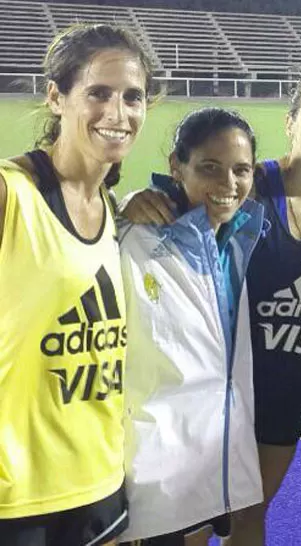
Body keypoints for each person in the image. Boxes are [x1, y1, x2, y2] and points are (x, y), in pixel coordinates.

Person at [120, 67, 301, 546]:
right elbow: (186, 210)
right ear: (291, 122)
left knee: (251, 516)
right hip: (206, 397)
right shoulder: (253, 190)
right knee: (192, 528)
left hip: (280, 394)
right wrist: (131, 202)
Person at [0, 23, 153, 546]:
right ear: (56, 97)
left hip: (100, 485)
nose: (118, 113)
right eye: (98, 93)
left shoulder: (114, 211)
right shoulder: (12, 195)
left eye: (133, 97)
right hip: (16, 499)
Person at [116, 108, 264, 545]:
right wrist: (117, 204)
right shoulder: (135, 237)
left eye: (241, 170)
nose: (228, 184)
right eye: (209, 168)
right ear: (175, 167)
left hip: (212, 455)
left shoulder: (240, 235)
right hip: (155, 465)